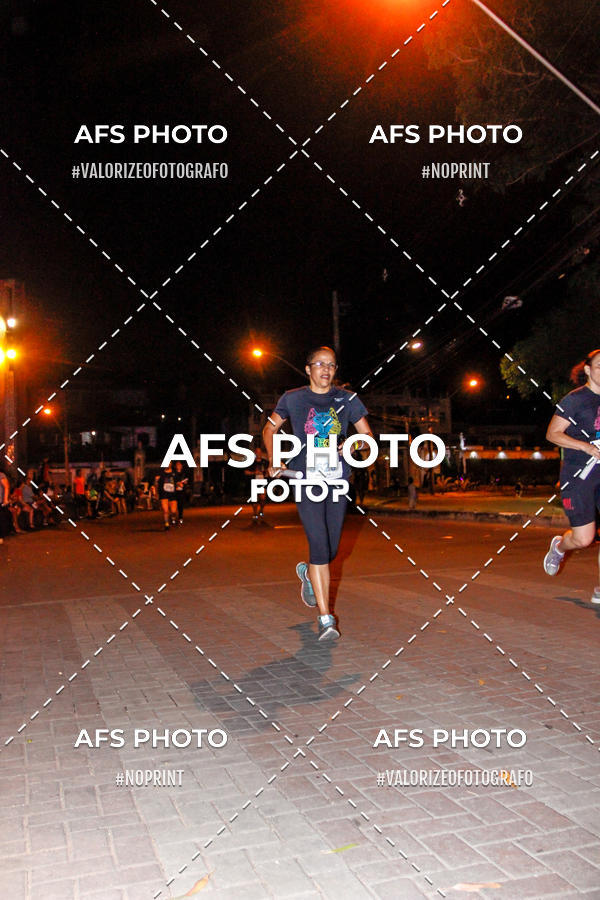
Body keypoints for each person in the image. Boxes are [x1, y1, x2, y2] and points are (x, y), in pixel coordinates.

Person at [263, 345, 373, 641]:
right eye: (320, 364)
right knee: (319, 545)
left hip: (337, 480)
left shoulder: (348, 400)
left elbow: (367, 439)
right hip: (305, 479)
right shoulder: (293, 399)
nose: (326, 369)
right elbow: (269, 431)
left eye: (332, 365)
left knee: (332, 548)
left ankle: (309, 575)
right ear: (308, 368)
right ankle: (326, 619)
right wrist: (275, 460)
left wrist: (350, 445)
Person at [544, 349, 600, 603]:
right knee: (583, 538)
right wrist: (587, 447)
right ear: (588, 370)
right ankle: (559, 546)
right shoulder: (575, 400)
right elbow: (553, 434)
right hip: (580, 476)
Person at [244, 446, 269, 524]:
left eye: (260, 452)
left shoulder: (265, 462)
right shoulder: (252, 463)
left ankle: (261, 510)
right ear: (255, 453)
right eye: (257, 452)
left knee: (263, 498)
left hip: (262, 483)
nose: (259, 454)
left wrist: (266, 473)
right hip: (254, 483)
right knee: (255, 500)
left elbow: (269, 471)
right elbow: (246, 472)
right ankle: (255, 514)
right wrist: (254, 473)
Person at [156, 462, 177, 530]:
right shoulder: (161, 473)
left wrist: (180, 484)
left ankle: (172, 518)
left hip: (172, 494)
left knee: (173, 511)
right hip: (164, 494)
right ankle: (166, 524)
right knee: (165, 510)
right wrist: (156, 492)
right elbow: (157, 484)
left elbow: (178, 482)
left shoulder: (174, 473)